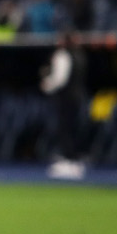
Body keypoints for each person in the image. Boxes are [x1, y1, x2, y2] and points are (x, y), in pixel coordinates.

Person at [40, 31, 88, 179]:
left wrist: (47, 84)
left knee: (65, 129)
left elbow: (60, 79)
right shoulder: (79, 55)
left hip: (66, 97)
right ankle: (73, 160)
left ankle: (69, 162)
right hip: (77, 97)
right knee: (73, 128)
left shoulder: (62, 55)